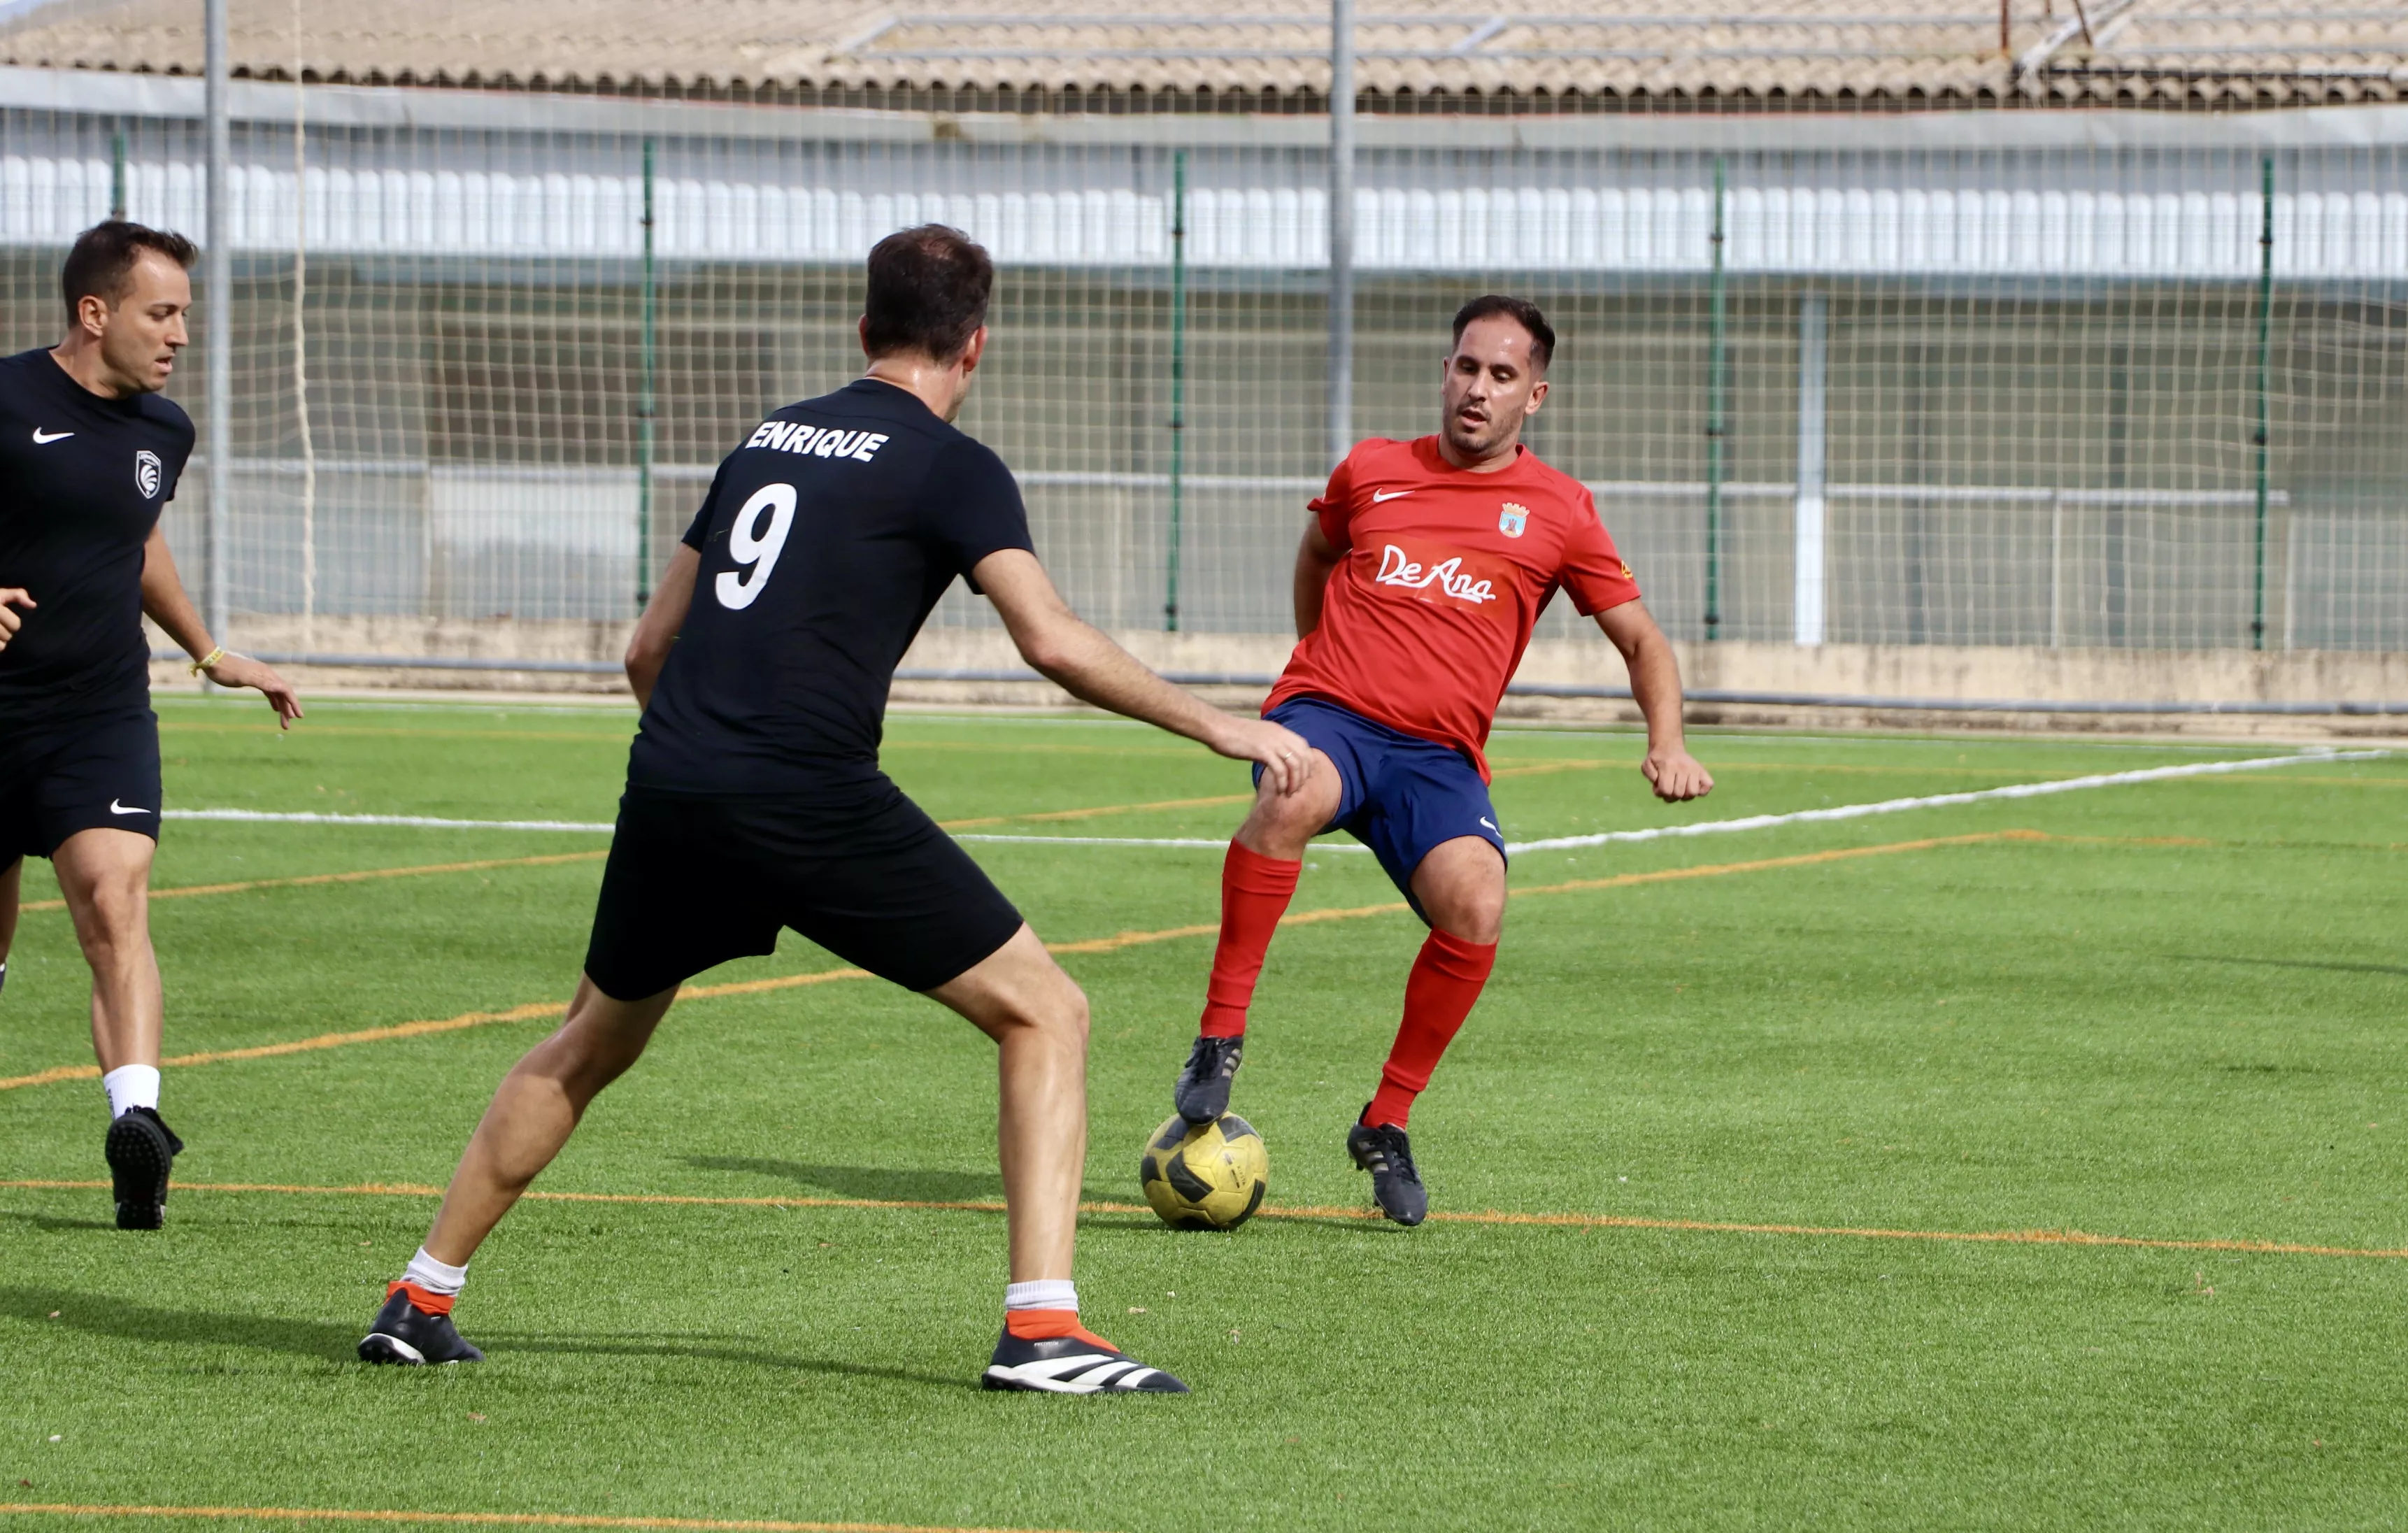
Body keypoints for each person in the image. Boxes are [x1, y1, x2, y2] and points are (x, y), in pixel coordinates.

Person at [359, 225, 1311, 1393]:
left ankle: (419, 1295)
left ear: (862, 332)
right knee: (1045, 1014)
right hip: (800, 789)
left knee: (587, 1045)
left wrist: (701, 763)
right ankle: (1044, 1330)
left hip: (672, 776)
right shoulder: (951, 462)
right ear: (975, 345)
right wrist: (1223, 723)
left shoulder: (764, 441)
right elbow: (1049, 640)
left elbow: (647, 647)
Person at [1167, 295, 1716, 1225]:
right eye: (1465, 366)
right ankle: (1219, 1038)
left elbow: (1642, 641)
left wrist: (1665, 742)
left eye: (1501, 375)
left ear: (1532, 397)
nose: (1476, 388)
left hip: (1436, 759)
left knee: (1478, 904)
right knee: (1291, 790)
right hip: (1332, 716)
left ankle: (1384, 1121)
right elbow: (1316, 550)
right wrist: (1311, 666)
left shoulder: (1560, 511)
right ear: (1446, 370)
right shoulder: (1373, 469)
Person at [0, 220, 304, 1230]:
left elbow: (136, 544)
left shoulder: (163, 429)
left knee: (112, 898)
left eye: (184, 314)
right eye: (161, 313)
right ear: (96, 314)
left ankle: (140, 1129)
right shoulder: (4, 399)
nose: (179, 335)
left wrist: (210, 652)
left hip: (97, 715)